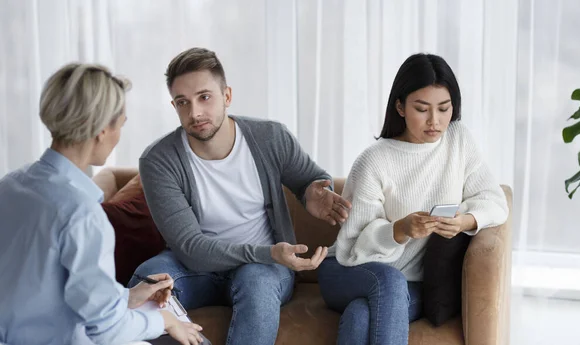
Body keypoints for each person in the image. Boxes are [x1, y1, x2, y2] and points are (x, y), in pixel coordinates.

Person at [129, 47, 352, 345]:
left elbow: (311, 180)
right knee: (148, 280)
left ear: (227, 96)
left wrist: (310, 192)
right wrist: (268, 252)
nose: (195, 112)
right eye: (183, 102)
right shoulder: (158, 161)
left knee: (257, 281)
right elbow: (191, 248)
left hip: (263, 269)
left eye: (204, 97)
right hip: (198, 268)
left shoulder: (270, 137)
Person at [0, 63, 204, 345]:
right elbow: (106, 329)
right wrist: (165, 321)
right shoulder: (81, 213)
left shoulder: (10, 186)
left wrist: (127, 296)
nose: (119, 134)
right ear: (101, 130)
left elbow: (44, 290)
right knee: (189, 339)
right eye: (121, 123)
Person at [317, 53, 509, 345]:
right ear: (400, 107)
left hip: (413, 284)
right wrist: (400, 230)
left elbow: (496, 201)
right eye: (422, 109)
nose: (435, 121)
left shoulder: (458, 141)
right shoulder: (374, 161)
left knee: (359, 316)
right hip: (348, 272)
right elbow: (351, 247)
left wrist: (463, 222)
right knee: (389, 281)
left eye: (444, 109)